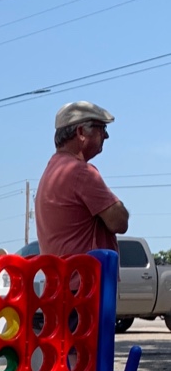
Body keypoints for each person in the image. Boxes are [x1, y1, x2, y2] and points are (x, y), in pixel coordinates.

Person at [35, 101, 129, 256]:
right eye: (101, 128)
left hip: (61, 278)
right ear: (81, 132)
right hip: (85, 278)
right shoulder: (81, 172)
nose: (106, 135)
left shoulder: (52, 169)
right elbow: (119, 222)